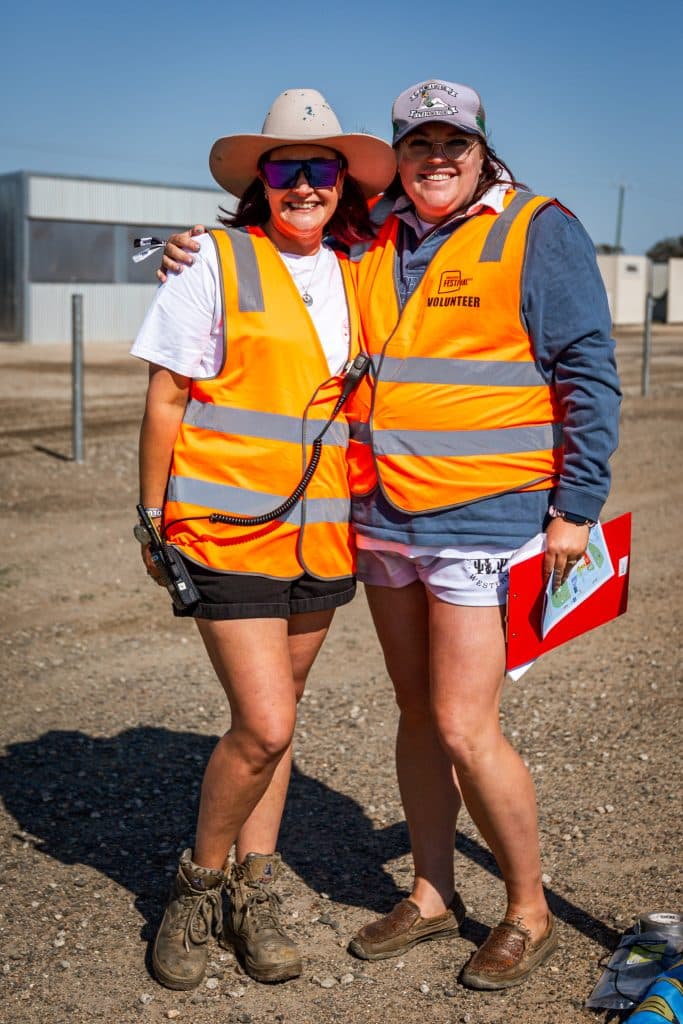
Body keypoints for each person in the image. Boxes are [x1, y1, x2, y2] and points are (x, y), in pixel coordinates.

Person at [160, 76, 621, 991]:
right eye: (418, 144)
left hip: (484, 517)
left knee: (463, 723)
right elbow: (279, 244)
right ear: (398, 157)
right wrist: (189, 247)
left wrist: (576, 508)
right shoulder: (372, 232)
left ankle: (527, 911)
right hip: (381, 519)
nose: (436, 159)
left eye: (454, 144)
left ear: (482, 150)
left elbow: (588, 370)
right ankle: (432, 893)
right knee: (416, 712)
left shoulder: (537, 229)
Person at [131, 88, 395, 990]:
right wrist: (151, 516)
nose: (305, 184)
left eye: (322, 168)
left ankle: (255, 887)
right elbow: (167, 396)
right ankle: (197, 888)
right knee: (265, 720)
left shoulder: (359, 271)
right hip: (226, 529)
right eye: (287, 169)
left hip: (320, 536)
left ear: (343, 183)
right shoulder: (212, 259)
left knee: (280, 722)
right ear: (261, 180)